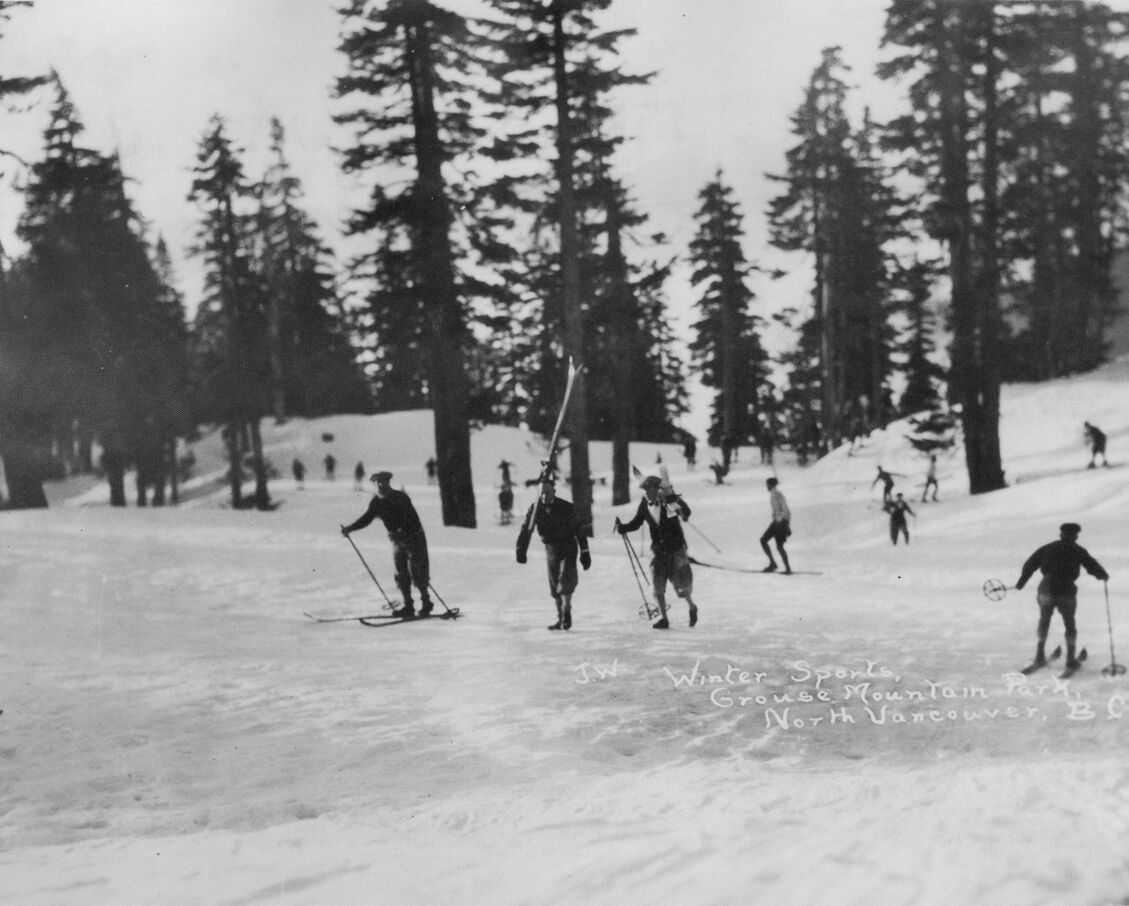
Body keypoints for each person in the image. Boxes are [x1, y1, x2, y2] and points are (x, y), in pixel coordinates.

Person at [1015, 522, 1109, 671]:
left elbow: (1030, 564)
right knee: (1069, 622)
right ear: (1075, 536)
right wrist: (1102, 575)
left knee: (1044, 619)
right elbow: (1092, 566)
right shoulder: (1078, 550)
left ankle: (1040, 655)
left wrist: (1021, 582)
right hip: (1066, 589)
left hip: (1046, 588)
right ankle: (1070, 659)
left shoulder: (1048, 548)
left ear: (1061, 534)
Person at [342, 471, 432, 619]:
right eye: (376, 482)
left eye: (382, 482)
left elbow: (413, 518)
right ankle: (408, 606)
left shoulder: (400, 497)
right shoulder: (376, 501)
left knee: (418, 571)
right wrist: (350, 528)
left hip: (414, 537)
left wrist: (406, 533)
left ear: (388, 482)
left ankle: (426, 603)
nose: (379, 485)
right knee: (401, 573)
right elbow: (367, 518)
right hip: (396, 540)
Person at [616, 475, 698, 629]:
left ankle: (692, 607)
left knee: (681, 587)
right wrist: (624, 527)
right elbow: (637, 522)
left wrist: (676, 500)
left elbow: (686, 513)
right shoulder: (644, 504)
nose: (648, 492)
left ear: (657, 489)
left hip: (676, 550)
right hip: (659, 552)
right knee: (656, 587)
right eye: (646, 489)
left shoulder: (669, 502)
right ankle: (664, 619)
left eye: (651, 489)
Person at [516, 476, 590, 631]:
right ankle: (560, 617)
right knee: (555, 585)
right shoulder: (535, 508)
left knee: (566, 581)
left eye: (548, 492)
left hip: (568, 546)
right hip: (551, 549)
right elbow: (526, 529)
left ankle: (567, 611)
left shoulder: (567, 507)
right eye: (541, 492)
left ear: (554, 491)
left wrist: (585, 551)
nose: (544, 496)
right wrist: (521, 549)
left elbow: (580, 530)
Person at [760, 477, 792, 574]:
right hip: (777, 522)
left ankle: (787, 568)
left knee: (778, 546)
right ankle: (774, 564)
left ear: (772, 485)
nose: (767, 487)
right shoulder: (773, 495)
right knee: (764, 540)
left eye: (768, 485)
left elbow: (786, 511)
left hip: (781, 523)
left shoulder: (778, 495)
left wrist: (785, 524)